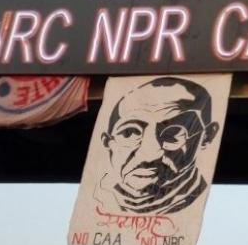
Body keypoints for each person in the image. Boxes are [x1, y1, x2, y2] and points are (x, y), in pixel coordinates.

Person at [94, 77, 221, 215]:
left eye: (172, 133)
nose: (149, 153)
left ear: (207, 136)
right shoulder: (100, 199)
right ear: (108, 142)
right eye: (129, 133)